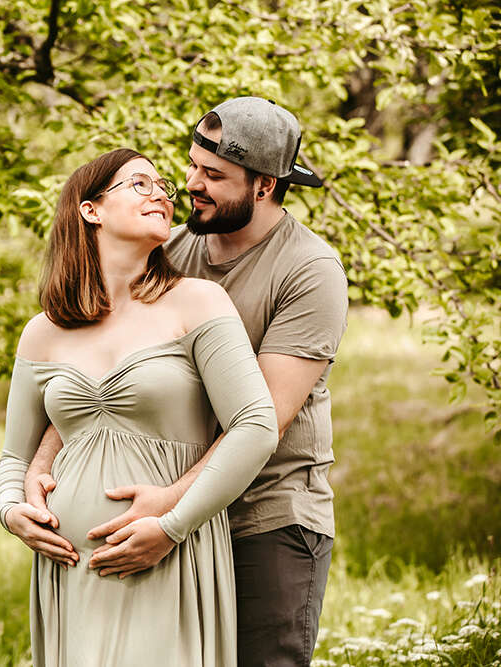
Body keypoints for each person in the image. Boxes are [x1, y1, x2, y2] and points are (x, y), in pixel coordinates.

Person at [20, 98, 350, 666]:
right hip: (172, 518)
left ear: (265, 186)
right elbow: (97, 370)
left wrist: (170, 514)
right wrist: (42, 461)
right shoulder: (169, 249)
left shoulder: (308, 271)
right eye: (192, 166)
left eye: (213, 176)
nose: (190, 185)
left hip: (266, 515)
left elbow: (264, 416)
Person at [0, 147, 279, 666]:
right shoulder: (43, 331)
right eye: (139, 185)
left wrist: (171, 526)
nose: (162, 196)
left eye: (163, 187)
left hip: (166, 554)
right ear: (90, 210)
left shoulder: (197, 302)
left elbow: (256, 425)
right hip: (70, 569)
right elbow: (14, 459)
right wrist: (12, 511)